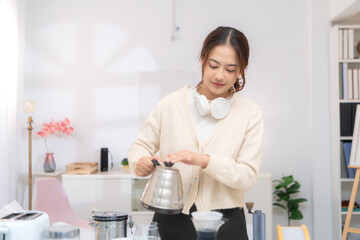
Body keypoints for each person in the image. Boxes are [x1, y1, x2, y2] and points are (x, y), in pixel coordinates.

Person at [128, 26, 264, 240]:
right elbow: (139, 146)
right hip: (170, 220)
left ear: (241, 70)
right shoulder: (171, 104)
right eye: (213, 65)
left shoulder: (250, 113)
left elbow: (247, 176)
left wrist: (204, 160)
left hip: (226, 225)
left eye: (230, 69)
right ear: (202, 59)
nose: (220, 75)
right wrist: (141, 161)